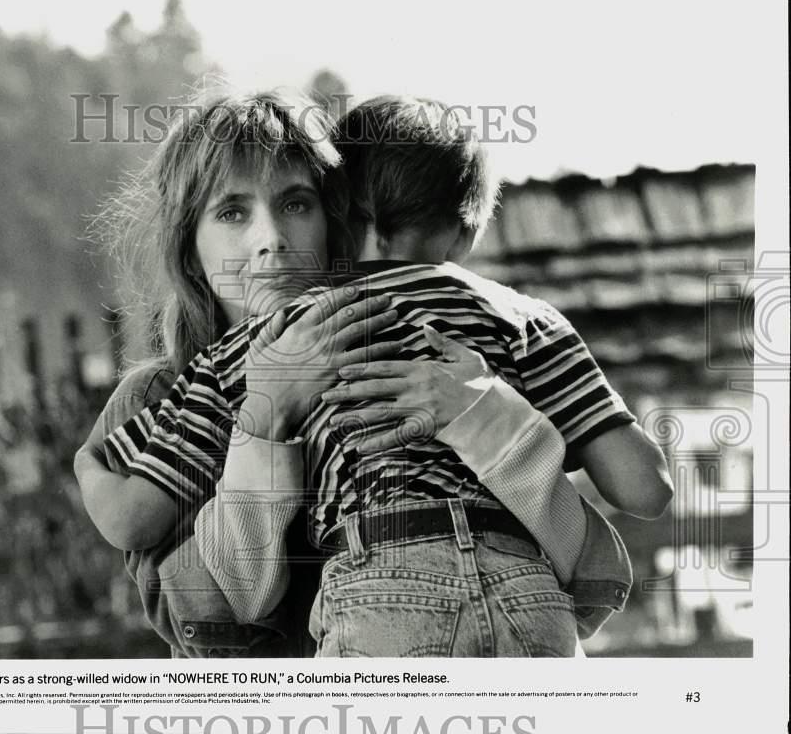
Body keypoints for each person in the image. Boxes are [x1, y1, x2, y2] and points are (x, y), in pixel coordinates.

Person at [101, 96, 674, 657]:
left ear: (338, 222)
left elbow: (134, 519)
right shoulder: (522, 317)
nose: (271, 237)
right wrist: (267, 410)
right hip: (531, 606)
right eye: (232, 212)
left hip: (376, 606)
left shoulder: (267, 338)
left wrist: (485, 412)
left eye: (297, 204)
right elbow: (205, 617)